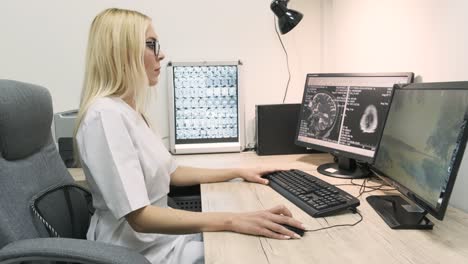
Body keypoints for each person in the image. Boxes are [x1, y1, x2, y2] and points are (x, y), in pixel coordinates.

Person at [74, 8, 305, 264]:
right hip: (136, 253)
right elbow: (139, 217)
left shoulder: (129, 111)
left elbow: (171, 172)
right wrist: (233, 219)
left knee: (256, 242)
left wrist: (237, 172)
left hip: (162, 241)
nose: (161, 53)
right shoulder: (104, 116)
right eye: (151, 45)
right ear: (122, 51)